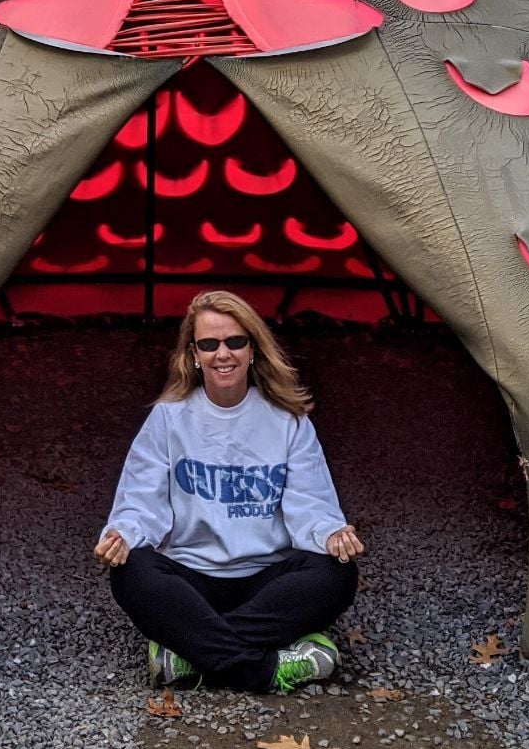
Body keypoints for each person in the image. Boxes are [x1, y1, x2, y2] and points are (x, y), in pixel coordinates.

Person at [94, 290, 364, 693]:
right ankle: (265, 669)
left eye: (235, 341)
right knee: (131, 569)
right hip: (192, 581)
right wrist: (123, 534)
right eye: (209, 344)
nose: (223, 353)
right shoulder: (168, 417)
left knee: (337, 571)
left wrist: (331, 533)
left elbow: (311, 502)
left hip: (265, 581)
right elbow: (140, 500)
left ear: (252, 349)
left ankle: (188, 650)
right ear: (194, 354)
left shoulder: (287, 419)